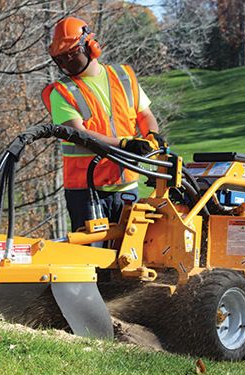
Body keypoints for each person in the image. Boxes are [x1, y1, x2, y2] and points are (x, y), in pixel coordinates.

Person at [42, 17, 166, 232]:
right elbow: (78, 134)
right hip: (87, 191)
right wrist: (125, 144)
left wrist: (152, 136)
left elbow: (144, 114)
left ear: (92, 47)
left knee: (130, 257)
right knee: (92, 261)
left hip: (127, 187)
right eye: (61, 57)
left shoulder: (124, 77)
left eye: (72, 53)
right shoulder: (61, 92)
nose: (67, 61)